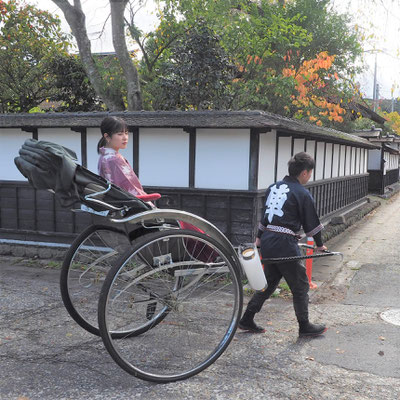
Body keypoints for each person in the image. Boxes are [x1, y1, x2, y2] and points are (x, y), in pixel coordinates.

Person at [239, 152, 328, 337]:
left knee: (269, 283)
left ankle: (247, 318)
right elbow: (311, 222)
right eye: (310, 173)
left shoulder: (273, 187)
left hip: (269, 241)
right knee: (301, 285)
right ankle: (305, 326)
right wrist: (320, 245)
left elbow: (266, 215)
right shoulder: (302, 193)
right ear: (304, 172)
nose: (309, 176)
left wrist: (259, 237)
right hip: (285, 244)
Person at [97, 116, 147, 197]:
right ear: (107, 136)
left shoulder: (105, 156)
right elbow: (128, 185)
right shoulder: (113, 159)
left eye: (126, 133)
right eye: (120, 134)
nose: (125, 138)